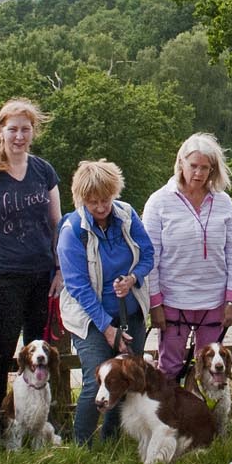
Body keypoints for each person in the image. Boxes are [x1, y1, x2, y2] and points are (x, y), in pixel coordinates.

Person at [0, 98, 63, 410]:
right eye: (13, 129)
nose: (19, 136)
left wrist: (60, 270)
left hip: (42, 277)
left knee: (40, 352)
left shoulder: (44, 171)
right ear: (0, 131)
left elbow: (58, 225)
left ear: (33, 132)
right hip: (4, 277)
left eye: (25, 129)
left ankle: (37, 417)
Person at [58, 159, 156, 446]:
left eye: (105, 200)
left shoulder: (127, 215)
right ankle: (82, 447)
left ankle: (111, 442)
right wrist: (108, 329)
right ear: (81, 199)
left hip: (129, 312)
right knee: (95, 382)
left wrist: (133, 278)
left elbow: (148, 254)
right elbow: (77, 286)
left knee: (125, 379)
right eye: (93, 202)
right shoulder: (72, 230)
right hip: (89, 317)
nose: (101, 207)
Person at [142, 133, 232, 382]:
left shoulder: (223, 202)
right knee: (170, 368)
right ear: (181, 163)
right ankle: (168, 408)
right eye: (193, 166)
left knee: (211, 371)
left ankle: (205, 408)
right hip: (173, 300)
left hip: (214, 302)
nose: (198, 173)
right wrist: (155, 304)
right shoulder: (158, 202)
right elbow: (150, 258)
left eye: (205, 168)